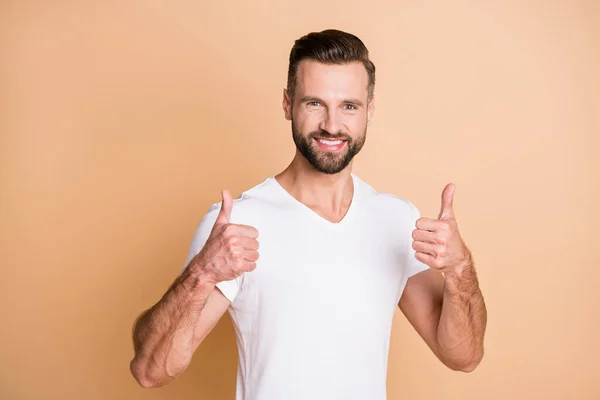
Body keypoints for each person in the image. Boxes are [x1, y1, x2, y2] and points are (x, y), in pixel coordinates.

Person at [129, 29, 487, 400]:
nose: (332, 125)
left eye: (349, 106)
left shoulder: (396, 218)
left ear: (370, 109)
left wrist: (460, 269)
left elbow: (463, 356)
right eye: (315, 103)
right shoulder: (238, 222)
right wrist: (202, 274)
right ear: (288, 104)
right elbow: (150, 370)